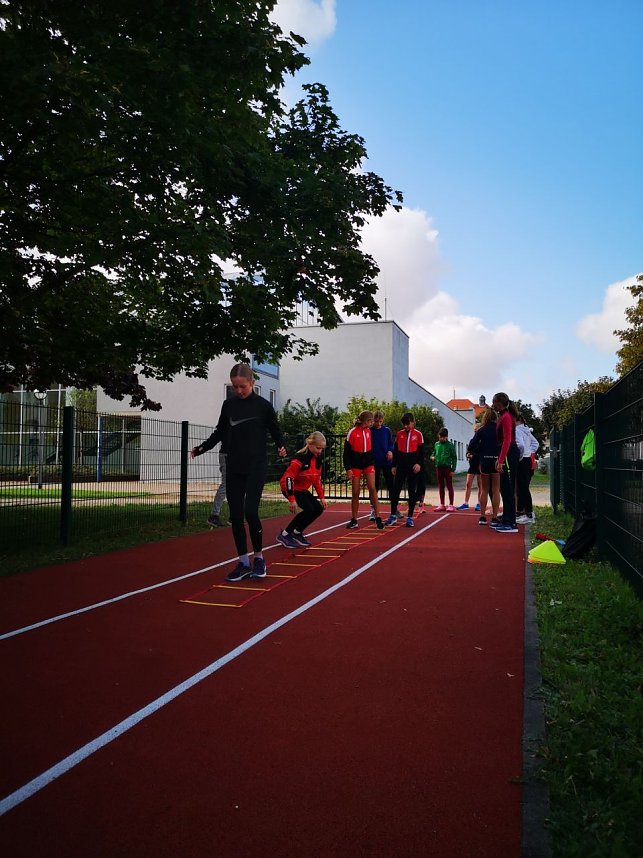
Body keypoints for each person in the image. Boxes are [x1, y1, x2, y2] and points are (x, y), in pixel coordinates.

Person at [191, 363, 287, 581]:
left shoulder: (263, 406)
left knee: (250, 512)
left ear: (252, 383)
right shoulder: (229, 405)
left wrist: (281, 445)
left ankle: (259, 558)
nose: (239, 391)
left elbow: (274, 429)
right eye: (235, 387)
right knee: (235, 516)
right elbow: (220, 432)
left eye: (242, 386)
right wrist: (202, 447)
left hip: (256, 465)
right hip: (234, 465)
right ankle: (243, 562)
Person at [277, 431, 327, 548]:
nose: (319, 451)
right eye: (318, 448)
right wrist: (292, 499)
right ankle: (285, 534)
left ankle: (297, 533)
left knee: (318, 509)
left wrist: (322, 497)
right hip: (289, 487)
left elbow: (317, 480)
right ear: (310, 444)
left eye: (322, 449)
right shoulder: (300, 458)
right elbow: (289, 478)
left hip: (302, 489)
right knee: (309, 509)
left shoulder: (318, 460)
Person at [343, 410, 384, 530]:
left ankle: (378, 517)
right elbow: (346, 453)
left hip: (368, 462)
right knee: (356, 492)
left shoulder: (368, 431)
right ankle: (354, 519)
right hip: (356, 463)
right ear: (365, 421)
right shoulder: (352, 432)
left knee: (372, 488)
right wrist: (348, 468)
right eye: (370, 420)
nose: (372, 423)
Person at [385, 412, 425, 527]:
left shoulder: (418, 434)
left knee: (411, 491)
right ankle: (393, 515)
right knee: (395, 490)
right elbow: (396, 451)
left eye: (408, 424)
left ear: (413, 422)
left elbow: (422, 453)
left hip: (412, 465)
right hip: (401, 465)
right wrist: (393, 465)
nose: (406, 426)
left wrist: (418, 464)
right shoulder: (399, 434)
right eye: (404, 424)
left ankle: (410, 517)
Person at [492, 392, 520, 533]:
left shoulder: (507, 417)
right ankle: (506, 518)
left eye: (494, 402)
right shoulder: (502, 416)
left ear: (500, 402)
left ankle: (511, 523)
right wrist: (499, 458)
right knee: (504, 487)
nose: (492, 404)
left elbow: (507, 440)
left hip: (510, 454)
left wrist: (502, 460)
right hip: (505, 454)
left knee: (508, 488)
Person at [468, 408, 500, 525]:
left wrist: (479, 452)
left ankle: (482, 516)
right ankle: (495, 517)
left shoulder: (481, 430)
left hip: (485, 461)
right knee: (496, 489)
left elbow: (471, 445)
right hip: (496, 461)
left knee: (485, 489)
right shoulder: (499, 429)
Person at [369, 410, 400, 520]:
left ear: (383, 421)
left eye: (380, 421)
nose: (378, 424)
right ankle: (373, 510)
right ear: (372, 420)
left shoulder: (387, 431)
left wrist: (390, 451)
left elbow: (391, 444)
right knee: (374, 487)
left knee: (391, 485)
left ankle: (394, 509)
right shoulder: (369, 431)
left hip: (386, 461)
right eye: (376, 421)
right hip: (374, 462)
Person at [515, 415, 539, 525]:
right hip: (527, 459)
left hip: (522, 460)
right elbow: (536, 443)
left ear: (516, 420)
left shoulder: (517, 430)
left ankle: (529, 513)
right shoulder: (526, 430)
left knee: (522, 487)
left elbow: (520, 445)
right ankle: (521, 511)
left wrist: (520, 456)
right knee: (522, 487)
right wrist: (529, 452)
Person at [431, 427, 457, 511]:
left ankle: (451, 505)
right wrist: (432, 457)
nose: (441, 438)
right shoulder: (436, 444)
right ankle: (442, 504)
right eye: (440, 437)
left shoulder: (450, 445)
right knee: (441, 485)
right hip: (438, 467)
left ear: (447, 437)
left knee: (449, 485)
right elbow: (433, 454)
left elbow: (454, 458)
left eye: (443, 437)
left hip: (447, 468)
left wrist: (453, 469)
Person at [458, 422, 482, 510]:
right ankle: (466, 503)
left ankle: (479, 503)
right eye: (475, 431)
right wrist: (468, 454)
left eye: (477, 431)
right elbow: (468, 450)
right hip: (472, 464)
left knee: (480, 485)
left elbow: (481, 453)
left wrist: (474, 456)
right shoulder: (472, 440)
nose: (476, 433)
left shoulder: (483, 441)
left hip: (480, 464)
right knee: (468, 484)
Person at [206, 441, 227, 527]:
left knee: (234, 486)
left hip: (232, 454)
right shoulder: (226, 428)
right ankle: (214, 515)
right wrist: (200, 449)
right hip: (227, 455)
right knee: (225, 485)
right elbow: (214, 438)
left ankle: (234, 515)